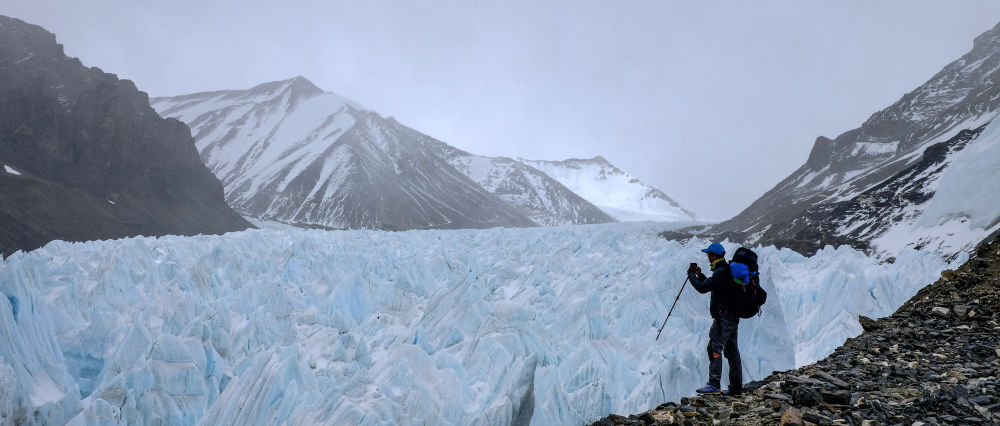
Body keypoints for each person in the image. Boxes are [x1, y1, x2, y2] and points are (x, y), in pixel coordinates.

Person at [687, 242, 742, 396]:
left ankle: (714, 384)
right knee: (732, 351)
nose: (708, 257)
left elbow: (702, 287)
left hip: (722, 318)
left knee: (714, 348)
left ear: (715, 255)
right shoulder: (724, 270)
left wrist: (691, 275)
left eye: (709, 254)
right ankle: (736, 388)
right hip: (732, 317)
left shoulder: (720, 272)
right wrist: (699, 274)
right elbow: (711, 284)